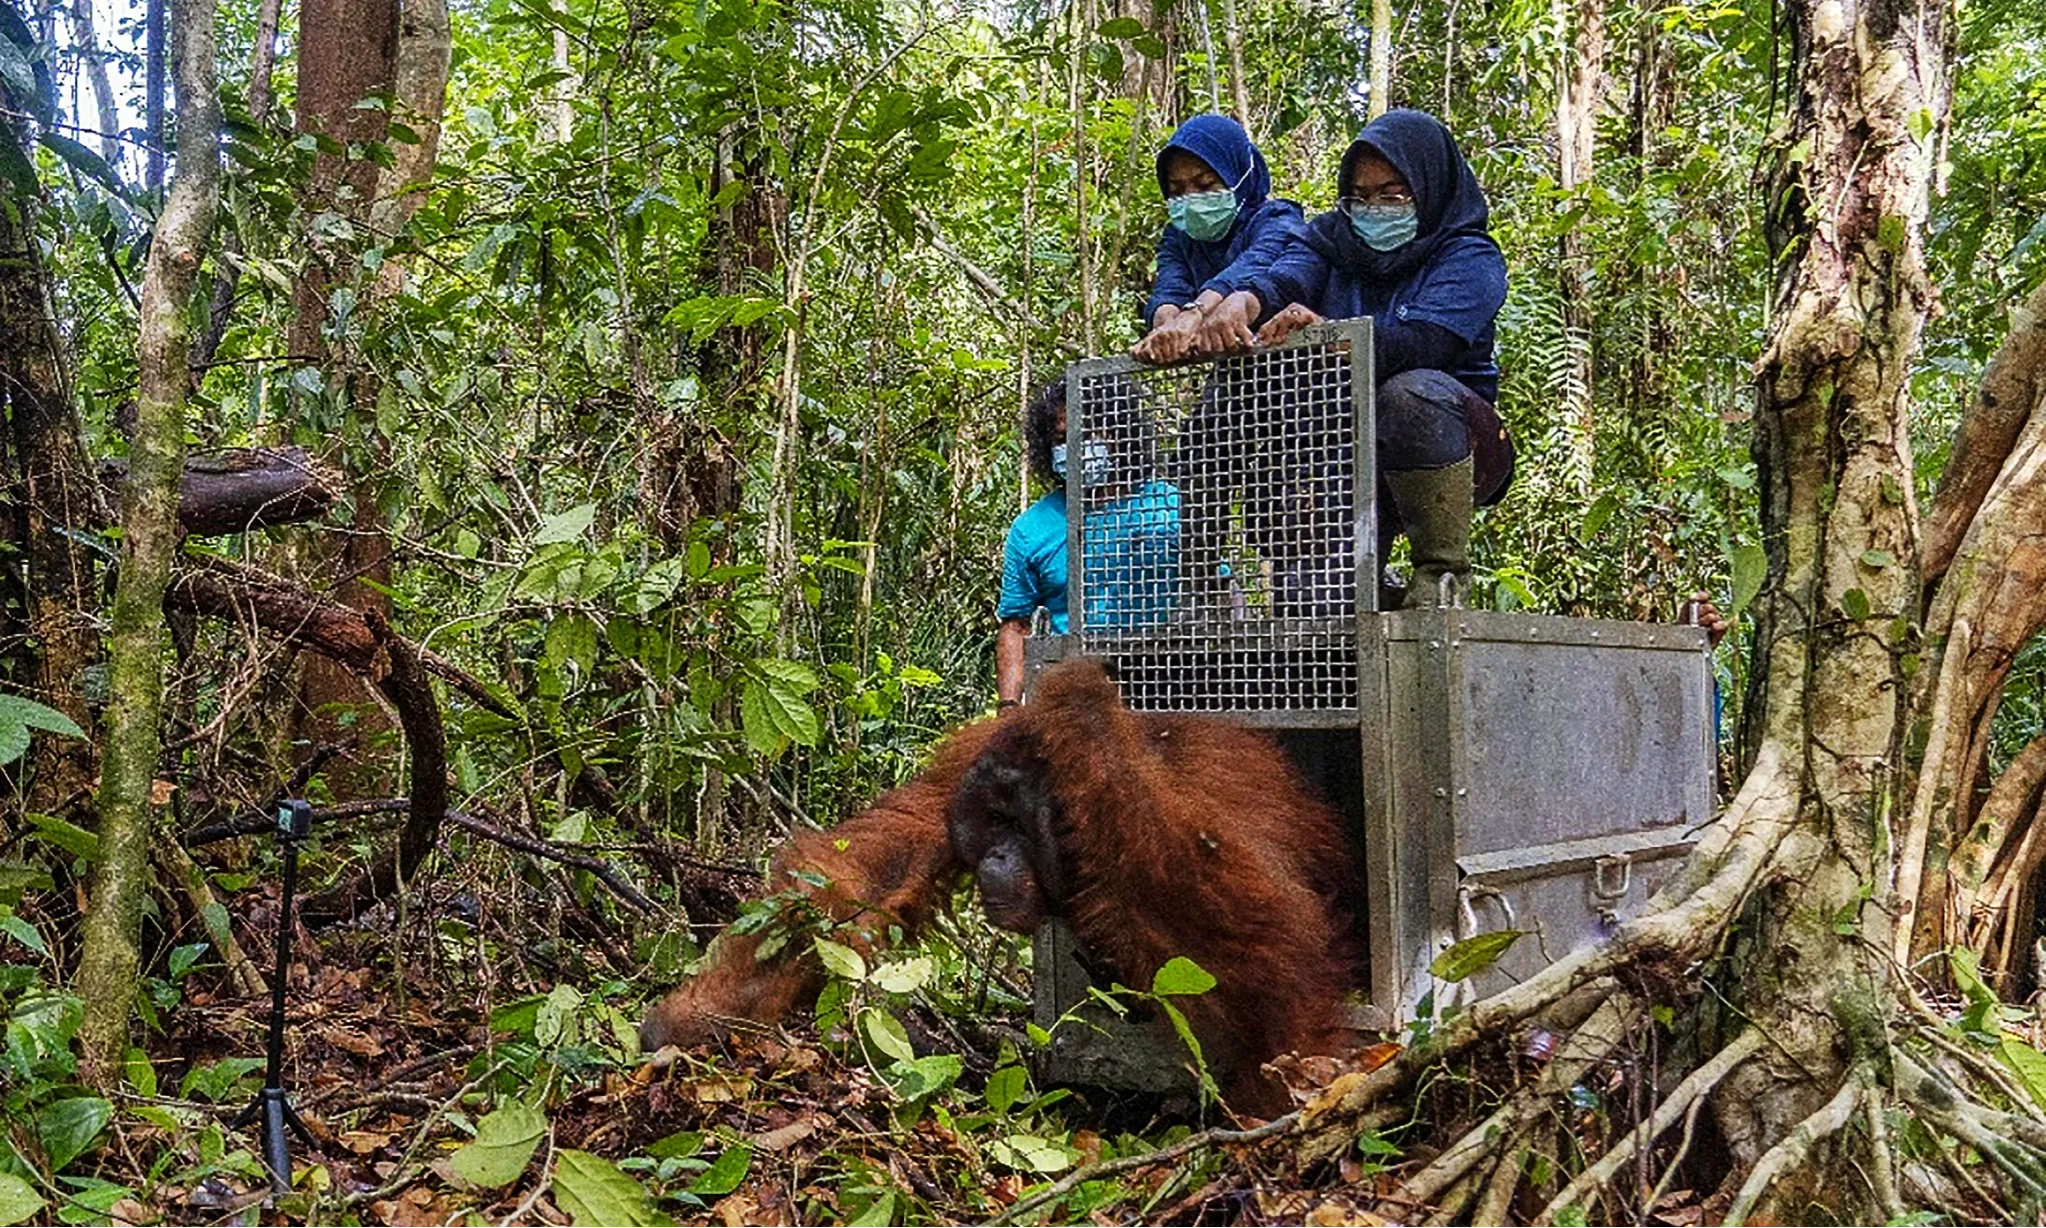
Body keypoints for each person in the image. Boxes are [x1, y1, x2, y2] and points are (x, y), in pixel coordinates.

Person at [1190, 108, 1513, 608]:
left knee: (1410, 393)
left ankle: (1440, 575)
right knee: (1315, 607)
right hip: (1340, 452)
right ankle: (1203, 572)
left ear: (1427, 189)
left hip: (1450, 444)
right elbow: (1289, 275)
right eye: (1360, 197)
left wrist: (1333, 339)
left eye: (1392, 195)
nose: (1373, 209)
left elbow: (1423, 343)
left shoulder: (1470, 258)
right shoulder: (1332, 240)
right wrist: (1245, 302)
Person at [995, 377, 1181, 708]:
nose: (1076, 448)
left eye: (1089, 434)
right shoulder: (1031, 529)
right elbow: (1016, 626)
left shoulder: (1169, 505)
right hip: (1076, 688)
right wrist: (1009, 707)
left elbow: (1218, 586)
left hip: (1170, 677)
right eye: (1061, 439)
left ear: (1119, 434)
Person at [1130, 115, 1305, 365]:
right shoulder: (1179, 237)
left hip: (1299, 361)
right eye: (1177, 191)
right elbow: (1170, 287)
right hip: (1233, 369)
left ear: (1238, 177)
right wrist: (1167, 325)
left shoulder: (1277, 219)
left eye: (1205, 185)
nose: (1190, 199)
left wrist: (1195, 312)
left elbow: (1253, 265)